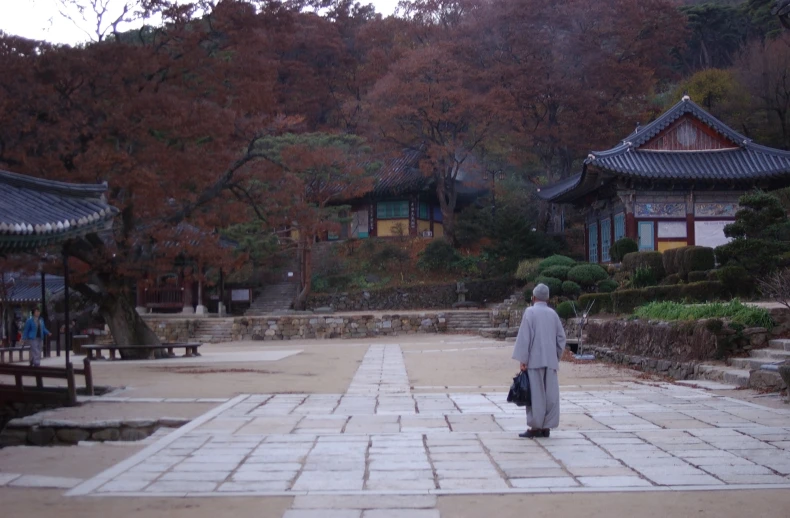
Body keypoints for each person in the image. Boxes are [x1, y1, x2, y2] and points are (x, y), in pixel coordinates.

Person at [511, 283, 566, 439]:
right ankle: (547, 426)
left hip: (534, 361)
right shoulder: (553, 314)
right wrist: (556, 355)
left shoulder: (530, 312)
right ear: (547, 298)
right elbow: (561, 338)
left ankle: (536, 427)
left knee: (536, 395)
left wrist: (523, 359)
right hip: (550, 361)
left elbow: (525, 337)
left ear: (533, 297)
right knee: (551, 395)